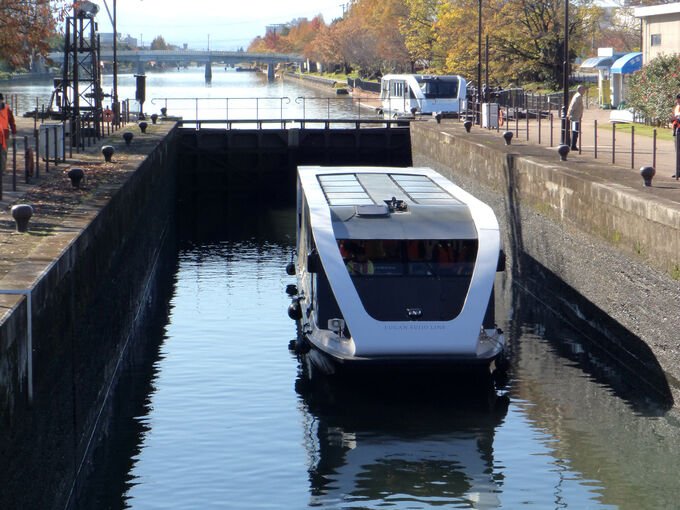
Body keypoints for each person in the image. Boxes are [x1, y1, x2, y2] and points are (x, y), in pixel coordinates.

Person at [0, 93, 17, 176]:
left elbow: (12, 121)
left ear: (2, 100)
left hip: (5, 134)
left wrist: (14, 132)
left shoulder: (7, 109)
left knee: (3, 153)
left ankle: (2, 170)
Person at [567, 85, 586, 151]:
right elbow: (573, 106)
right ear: (580, 90)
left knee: (574, 131)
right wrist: (569, 113)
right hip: (575, 117)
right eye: (583, 89)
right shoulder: (578, 97)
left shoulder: (577, 96)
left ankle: (572, 144)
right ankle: (573, 145)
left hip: (576, 117)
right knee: (575, 131)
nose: (584, 91)